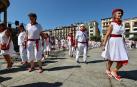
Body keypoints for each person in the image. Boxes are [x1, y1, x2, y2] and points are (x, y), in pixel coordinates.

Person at [101, 9, 128, 81]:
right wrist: (104, 45)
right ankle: (107, 70)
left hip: (120, 42)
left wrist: (124, 43)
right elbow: (107, 35)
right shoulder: (112, 24)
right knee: (111, 58)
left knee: (123, 59)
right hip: (113, 41)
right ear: (114, 14)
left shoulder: (122, 24)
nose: (120, 14)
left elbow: (122, 35)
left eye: (121, 13)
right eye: (118, 13)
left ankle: (114, 71)